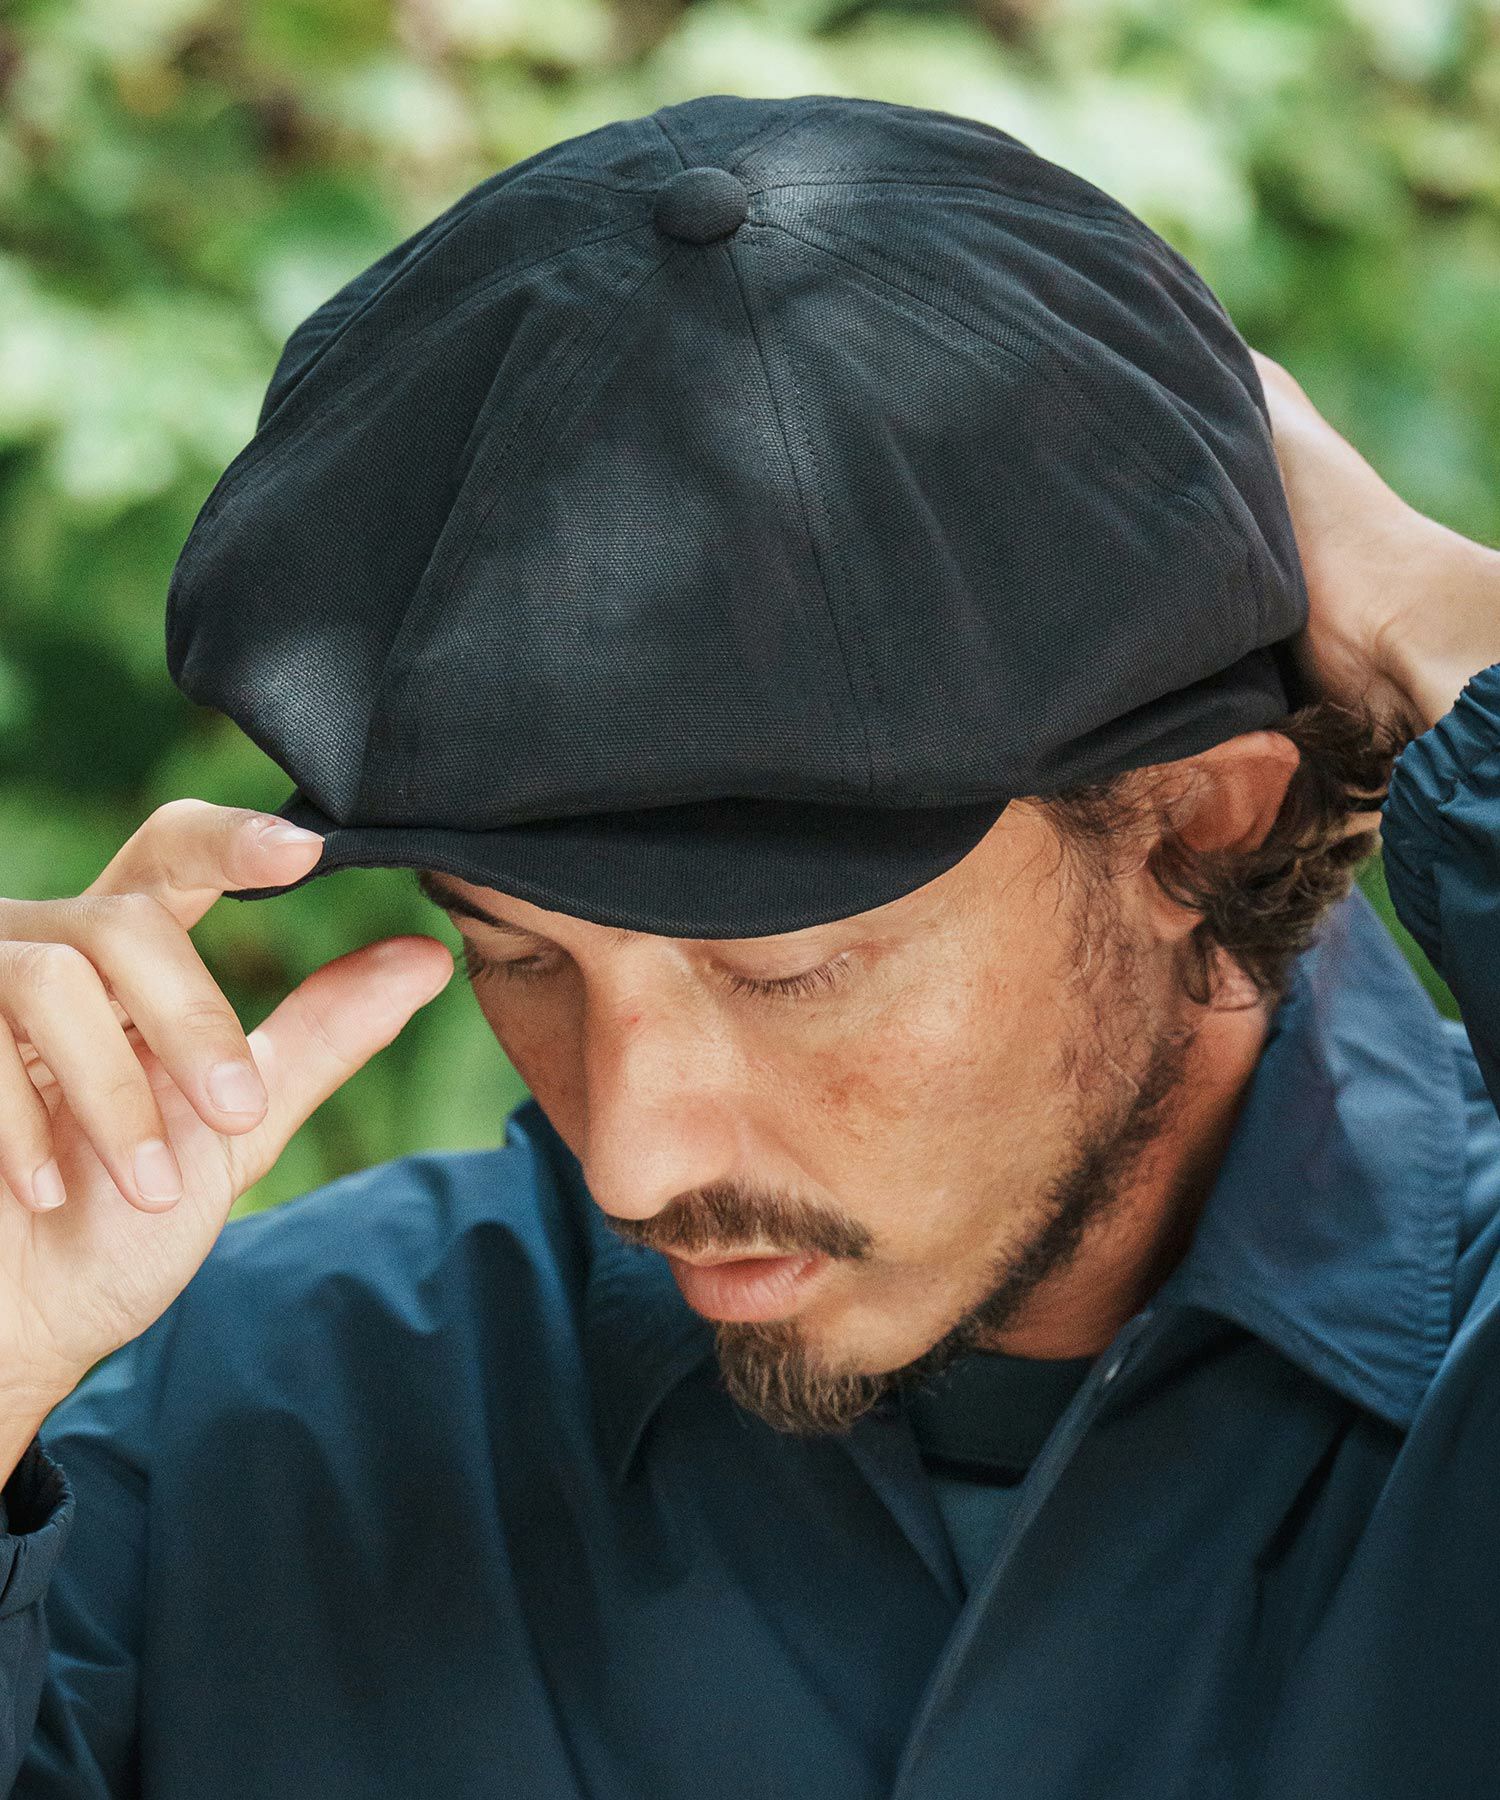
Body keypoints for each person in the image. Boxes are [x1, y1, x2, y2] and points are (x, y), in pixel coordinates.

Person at [1, 97, 1498, 1799]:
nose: (633, 1163)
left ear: (1196, 822)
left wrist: (1453, 634)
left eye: (786, 971)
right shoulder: (239, 1422)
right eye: (522, 957)